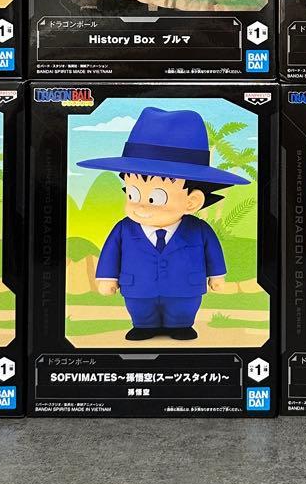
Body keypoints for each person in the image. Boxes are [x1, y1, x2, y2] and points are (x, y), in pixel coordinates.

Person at [84, 107, 247, 341]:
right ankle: (143, 325)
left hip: (185, 289)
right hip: (138, 288)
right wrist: (107, 278)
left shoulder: (199, 230)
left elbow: (213, 252)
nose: (141, 207)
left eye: (155, 198)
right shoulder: (123, 229)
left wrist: (217, 276)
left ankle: (181, 324)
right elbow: (111, 254)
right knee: (140, 310)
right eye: (132, 194)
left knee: (183, 310)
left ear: (192, 201)